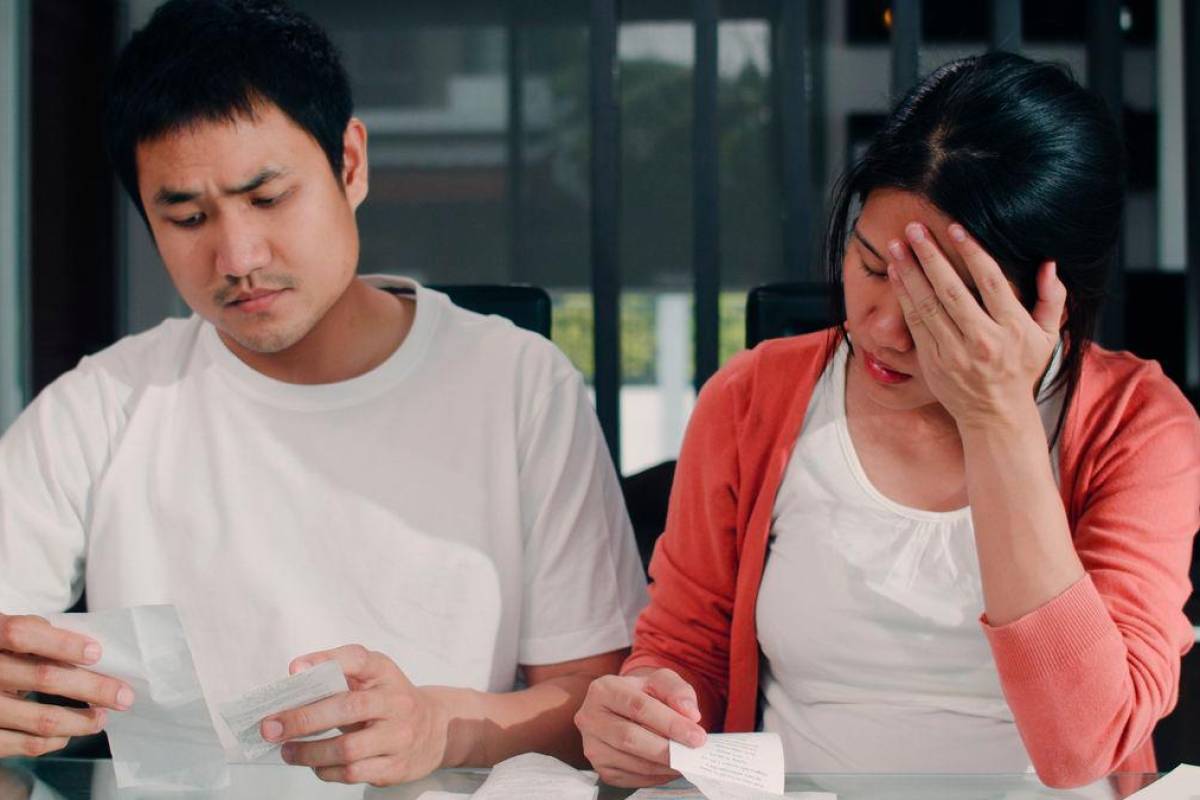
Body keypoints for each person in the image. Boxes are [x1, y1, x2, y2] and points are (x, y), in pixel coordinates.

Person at [0, 0, 647, 787]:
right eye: (188, 217)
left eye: (269, 198)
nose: (238, 257)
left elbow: (597, 706)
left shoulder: (519, 386)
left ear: (350, 163)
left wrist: (441, 728)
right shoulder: (104, 405)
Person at [575, 52, 1200, 789]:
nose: (883, 330)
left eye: (944, 301)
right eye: (873, 268)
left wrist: (998, 417)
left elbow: (1083, 745)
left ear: (1048, 297)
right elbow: (687, 652)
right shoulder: (751, 397)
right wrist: (648, 708)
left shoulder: (1137, 424)